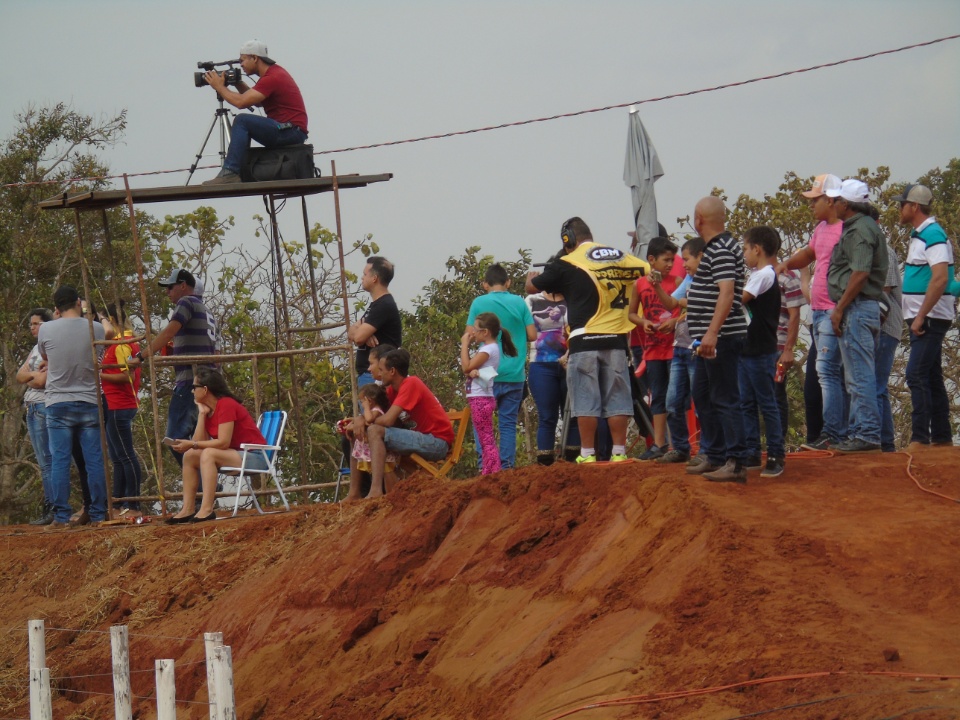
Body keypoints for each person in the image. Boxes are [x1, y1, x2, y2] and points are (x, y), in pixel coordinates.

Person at [526, 217, 649, 464]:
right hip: (616, 339)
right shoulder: (620, 256)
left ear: (567, 239)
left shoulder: (567, 262)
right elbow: (648, 271)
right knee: (617, 399)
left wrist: (532, 277)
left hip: (584, 340)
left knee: (585, 399)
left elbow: (532, 287)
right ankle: (618, 453)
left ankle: (588, 454)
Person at [777, 174, 847, 451]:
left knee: (828, 373)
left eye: (815, 200)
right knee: (824, 374)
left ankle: (833, 433)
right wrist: (785, 264)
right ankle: (830, 432)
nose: (811, 205)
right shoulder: (821, 229)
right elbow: (807, 254)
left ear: (830, 201)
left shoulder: (845, 230)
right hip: (818, 311)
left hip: (832, 309)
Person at [685, 197, 748, 482]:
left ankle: (735, 462)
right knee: (703, 394)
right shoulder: (718, 247)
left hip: (720, 337)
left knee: (724, 396)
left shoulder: (721, 249)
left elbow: (727, 292)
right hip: (708, 338)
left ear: (699, 218)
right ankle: (716, 453)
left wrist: (712, 332)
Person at [128, 268, 216, 466]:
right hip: (208, 381)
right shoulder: (205, 309)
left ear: (183, 285)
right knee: (198, 441)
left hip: (191, 382)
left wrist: (140, 356)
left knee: (175, 438)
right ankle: (204, 487)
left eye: (170, 287)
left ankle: (202, 484)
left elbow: (169, 332)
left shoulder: (186, 302)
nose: (167, 292)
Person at [38, 286, 108, 527]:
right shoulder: (95, 327)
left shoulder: (46, 328)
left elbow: (45, 355)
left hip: (58, 401)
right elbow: (99, 353)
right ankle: (98, 514)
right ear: (79, 302)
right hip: (89, 400)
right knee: (94, 460)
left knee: (59, 461)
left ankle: (60, 516)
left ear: (56, 308)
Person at [827, 179, 888, 453]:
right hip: (862, 307)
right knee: (857, 373)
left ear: (846, 204)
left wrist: (840, 308)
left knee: (859, 374)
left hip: (856, 307)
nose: (832, 204)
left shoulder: (859, 230)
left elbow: (860, 272)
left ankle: (867, 435)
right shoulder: (861, 226)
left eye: (836, 199)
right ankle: (861, 432)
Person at [895, 183, 956, 449]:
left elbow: (940, 277)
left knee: (916, 374)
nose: (899, 209)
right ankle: (941, 437)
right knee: (930, 374)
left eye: (902, 204)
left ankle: (920, 437)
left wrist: (921, 315)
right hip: (927, 316)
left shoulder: (933, 235)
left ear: (914, 207)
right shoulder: (923, 234)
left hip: (930, 318)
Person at [166, 368, 268, 523]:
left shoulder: (226, 404)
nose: (192, 391)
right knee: (190, 455)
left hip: (256, 456)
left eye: (194, 387)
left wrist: (192, 443)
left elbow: (223, 442)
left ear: (205, 389)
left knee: (209, 454)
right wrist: (201, 414)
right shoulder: (209, 410)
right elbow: (198, 443)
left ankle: (206, 509)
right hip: (235, 454)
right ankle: (187, 509)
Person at [202, 39, 309, 186]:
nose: (241, 65)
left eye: (243, 60)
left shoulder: (272, 77)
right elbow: (257, 100)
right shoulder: (275, 73)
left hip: (290, 131)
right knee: (244, 121)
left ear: (255, 58)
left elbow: (241, 102)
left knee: (242, 120)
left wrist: (219, 87)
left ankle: (230, 172)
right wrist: (238, 82)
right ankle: (237, 171)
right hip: (291, 130)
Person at [354, 349, 454, 498]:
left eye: (382, 370)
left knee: (375, 431)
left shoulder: (411, 383)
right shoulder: (393, 391)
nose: (379, 374)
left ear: (392, 371)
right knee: (360, 431)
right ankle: (356, 492)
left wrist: (368, 420)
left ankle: (375, 490)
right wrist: (360, 419)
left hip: (436, 442)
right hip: (421, 438)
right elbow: (378, 413)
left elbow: (387, 420)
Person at [466, 264, 536, 470]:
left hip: (487, 375)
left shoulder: (479, 302)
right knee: (507, 424)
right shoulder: (520, 302)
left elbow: (470, 335)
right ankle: (506, 468)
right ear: (508, 283)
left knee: (482, 423)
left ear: (485, 284)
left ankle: (484, 467)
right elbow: (532, 335)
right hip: (514, 374)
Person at [652, 238, 706, 465]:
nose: (682, 265)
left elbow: (694, 303)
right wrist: (656, 286)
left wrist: (684, 301)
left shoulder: (712, 281)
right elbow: (672, 303)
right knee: (673, 401)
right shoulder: (690, 279)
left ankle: (707, 450)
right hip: (681, 347)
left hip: (698, 348)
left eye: (686, 259)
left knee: (702, 402)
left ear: (701, 256)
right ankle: (681, 448)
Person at [739, 226, 786, 478]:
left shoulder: (764, 275)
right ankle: (752, 451)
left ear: (757, 249)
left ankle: (776, 454)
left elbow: (739, 299)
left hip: (760, 350)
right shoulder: (758, 275)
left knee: (767, 403)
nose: (744, 254)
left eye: (745, 249)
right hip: (748, 348)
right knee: (747, 402)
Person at [628, 236, 680, 460]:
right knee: (657, 395)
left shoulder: (678, 282)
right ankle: (659, 443)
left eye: (672, 259)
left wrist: (675, 322)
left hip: (675, 348)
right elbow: (631, 314)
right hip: (652, 349)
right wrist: (644, 322)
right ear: (651, 259)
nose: (670, 264)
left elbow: (687, 309)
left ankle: (679, 444)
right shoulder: (639, 284)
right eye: (666, 260)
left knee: (676, 397)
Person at [525, 284, 579, 465]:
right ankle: (545, 462)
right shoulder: (532, 300)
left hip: (570, 363)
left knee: (572, 414)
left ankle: (572, 460)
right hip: (541, 364)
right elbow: (525, 330)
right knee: (547, 415)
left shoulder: (574, 298)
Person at [99, 300, 144, 516]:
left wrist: (100, 374)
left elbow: (128, 375)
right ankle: (118, 502)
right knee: (118, 457)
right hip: (116, 403)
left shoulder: (123, 344)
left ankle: (133, 503)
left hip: (120, 404)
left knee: (126, 455)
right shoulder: (121, 342)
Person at [461, 312, 517, 475]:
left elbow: (466, 366)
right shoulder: (488, 349)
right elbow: (470, 370)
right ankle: (489, 469)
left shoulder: (488, 349)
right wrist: (471, 371)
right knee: (485, 437)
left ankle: (492, 472)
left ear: (485, 332)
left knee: (486, 439)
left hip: (481, 399)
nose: (472, 333)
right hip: (480, 397)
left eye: (475, 330)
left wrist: (464, 344)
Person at [17, 308, 55, 525]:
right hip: (32, 405)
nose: (32, 327)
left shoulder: (49, 348)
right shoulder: (35, 348)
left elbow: (41, 382)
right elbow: (19, 375)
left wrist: (30, 378)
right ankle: (50, 504)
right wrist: (32, 375)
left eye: (36, 323)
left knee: (48, 461)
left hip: (42, 404)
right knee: (43, 461)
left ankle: (53, 506)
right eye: (31, 324)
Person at [348, 257, 402, 388]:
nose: (362, 278)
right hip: (369, 375)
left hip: (376, 376)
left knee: (373, 409)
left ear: (374, 278)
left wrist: (362, 333)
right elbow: (351, 334)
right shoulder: (376, 305)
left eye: (365, 274)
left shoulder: (384, 305)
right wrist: (363, 332)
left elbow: (358, 338)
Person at [774, 259, 806, 445]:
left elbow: (795, 315)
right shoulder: (756, 278)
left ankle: (778, 445)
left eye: (746, 248)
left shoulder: (788, 279)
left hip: (779, 347)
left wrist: (788, 350)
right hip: (759, 347)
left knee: (777, 393)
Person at [876, 237, 903, 453]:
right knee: (879, 387)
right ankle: (885, 443)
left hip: (884, 326)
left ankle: (878, 442)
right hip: (875, 327)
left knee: (875, 386)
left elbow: (884, 289)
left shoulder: (883, 249)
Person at [351, 384, 400, 485]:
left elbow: (368, 419)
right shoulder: (372, 411)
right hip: (374, 448)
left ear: (370, 400)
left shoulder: (376, 411)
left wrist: (366, 408)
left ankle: (393, 492)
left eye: (362, 402)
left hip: (381, 448)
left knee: (387, 471)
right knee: (384, 471)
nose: (362, 405)